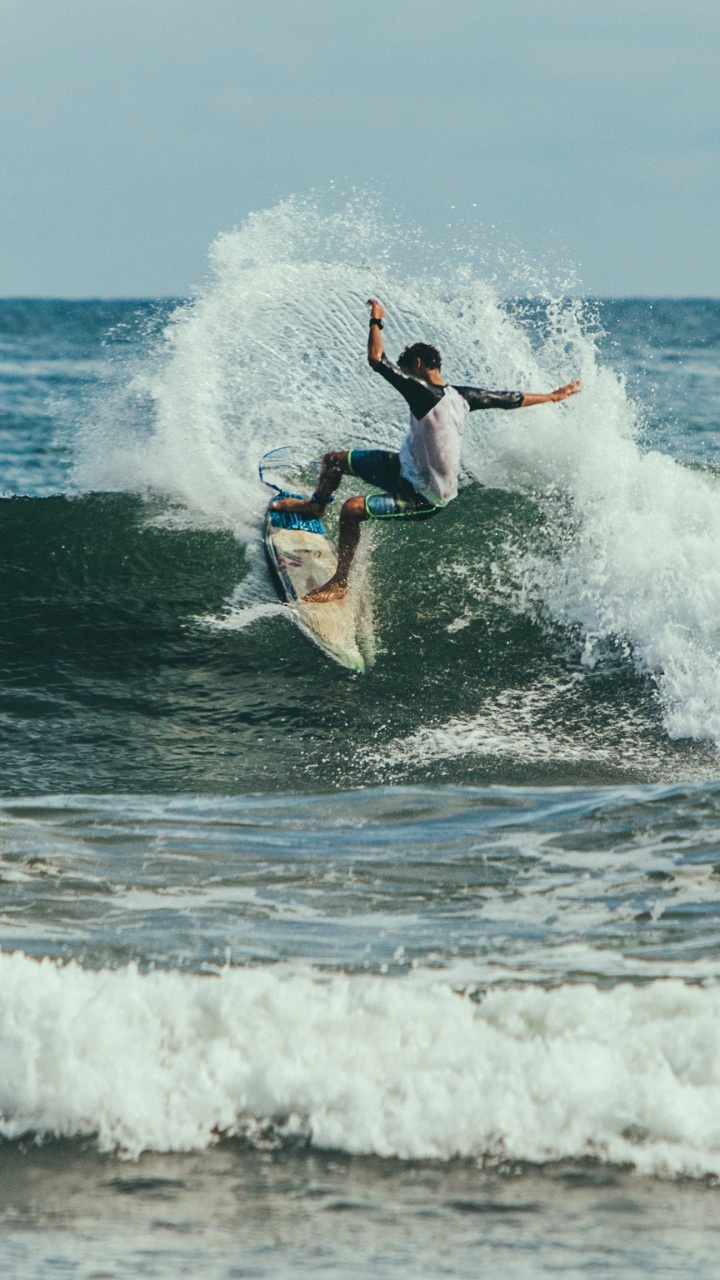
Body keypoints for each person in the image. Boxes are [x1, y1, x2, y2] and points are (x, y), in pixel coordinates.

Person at [272, 299, 581, 603]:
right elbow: (509, 398)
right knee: (334, 461)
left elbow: (377, 360)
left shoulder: (422, 392)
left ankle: (340, 583)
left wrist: (376, 319)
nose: (405, 375)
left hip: (426, 496)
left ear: (417, 365)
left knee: (352, 509)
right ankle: (315, 506)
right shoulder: (463, 395)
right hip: (404, 467)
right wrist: (552, 397)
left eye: (407, 369)